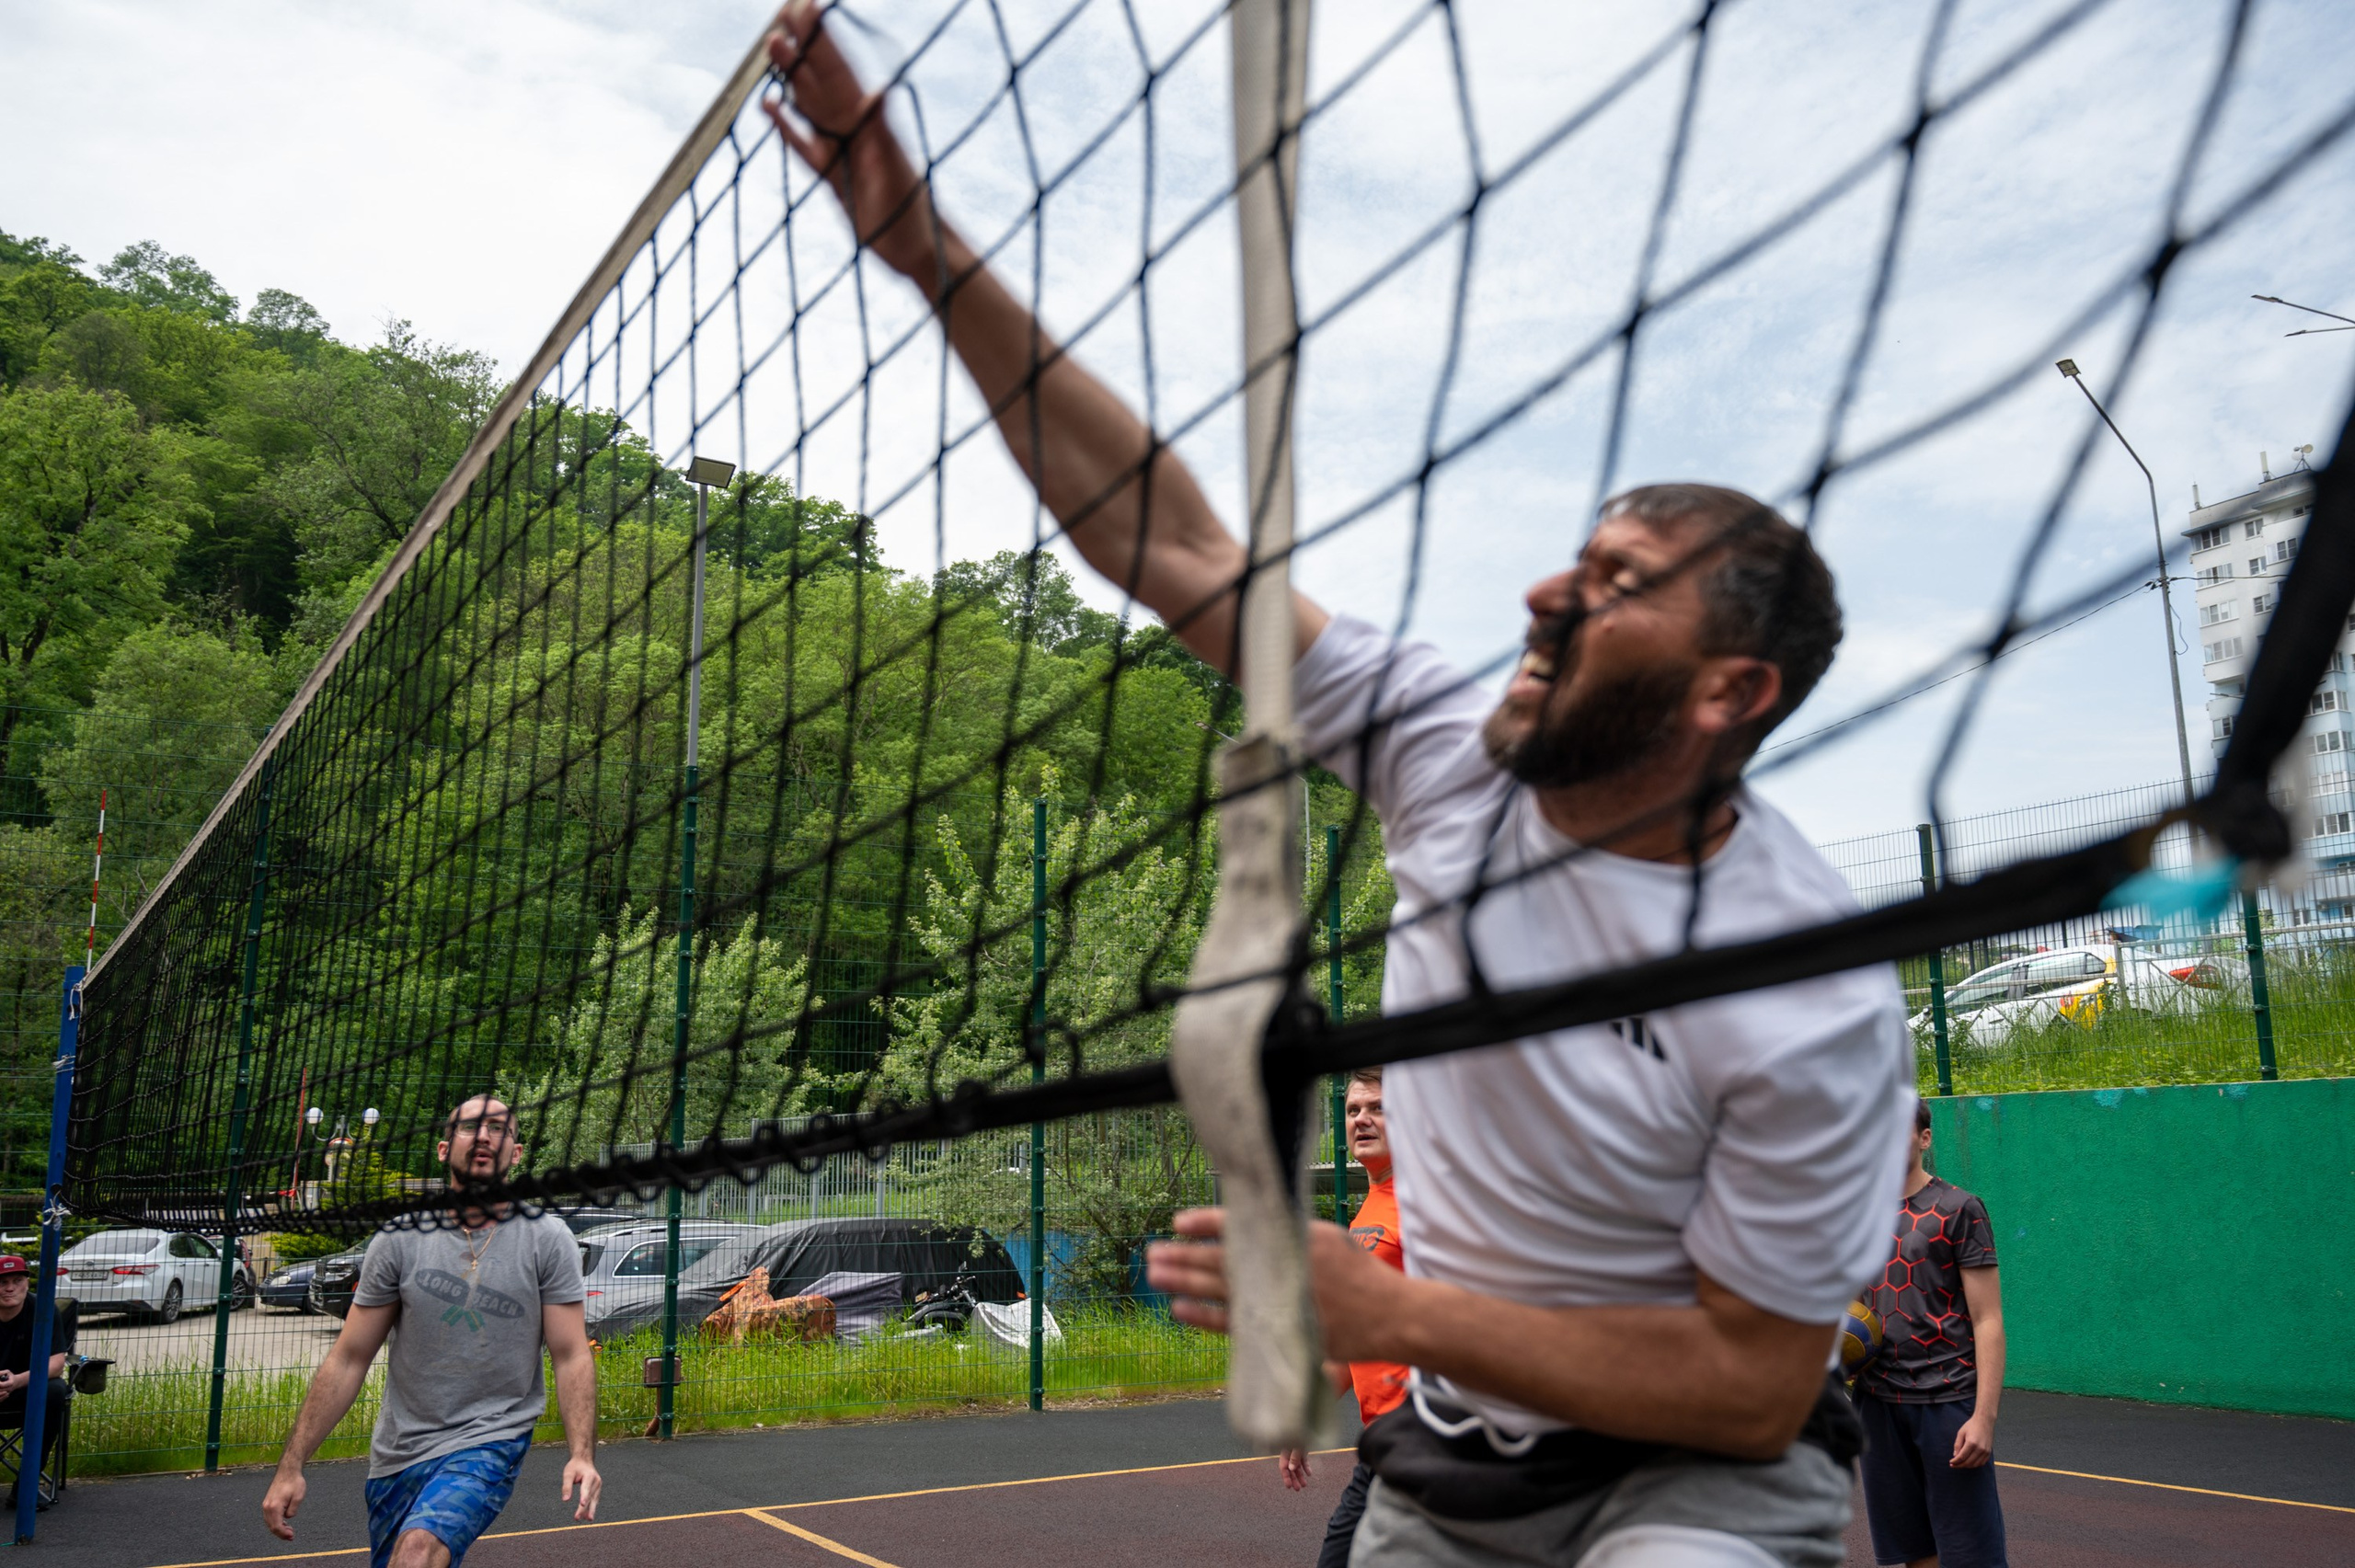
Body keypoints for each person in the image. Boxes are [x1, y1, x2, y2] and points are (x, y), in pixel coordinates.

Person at [763, 7, 1911, 1564]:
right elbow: (1172, 544)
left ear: (1730, 692)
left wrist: (1385, 1308)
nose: (1543, 597)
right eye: (1573, 559)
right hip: (1458, 1467)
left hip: (1698, 1477)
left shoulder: (1812, 994)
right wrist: (917, 245)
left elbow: (1748, 1384)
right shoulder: (1443, 741)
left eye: (1617, 586)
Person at [261, 1096, 601, 1568]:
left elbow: (570, 1354)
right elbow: (349, 1357)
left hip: (490, 1437)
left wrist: (581, 1454)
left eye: (498, 1129)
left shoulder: (547, 1239)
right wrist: (291, 1465)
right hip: (398, 1453)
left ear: (516, 1153)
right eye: (470, 1128)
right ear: (444, 1149)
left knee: (418, 1550)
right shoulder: (399, 1239)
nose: (483, 1136)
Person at [1854, 1102, 2007, 1568]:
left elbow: (1988, 1320)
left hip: (1947, 1403)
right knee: (1915, 1551)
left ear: (1924, 1139)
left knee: (1968, 1555)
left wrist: (1984, 1418)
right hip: (1877, 1402)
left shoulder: (1960, 1209)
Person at [1279, 1069, 1410, 1568]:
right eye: (1353, 1110)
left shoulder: (1430, 1204)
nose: (1362, 1119)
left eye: (1377, 1107)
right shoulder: (1370, 1209)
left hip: (1430, 1436)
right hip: (1385, 1443)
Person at [0, 1253, 70, 1505]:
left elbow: (57, 1363)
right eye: (2, 1282)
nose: (9, 1288)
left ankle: (25, 1486)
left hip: (25, 1392)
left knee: (55, 1390)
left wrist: (17, 1380)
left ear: (27, 1283)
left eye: (17, 1280)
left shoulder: (43, 1310)